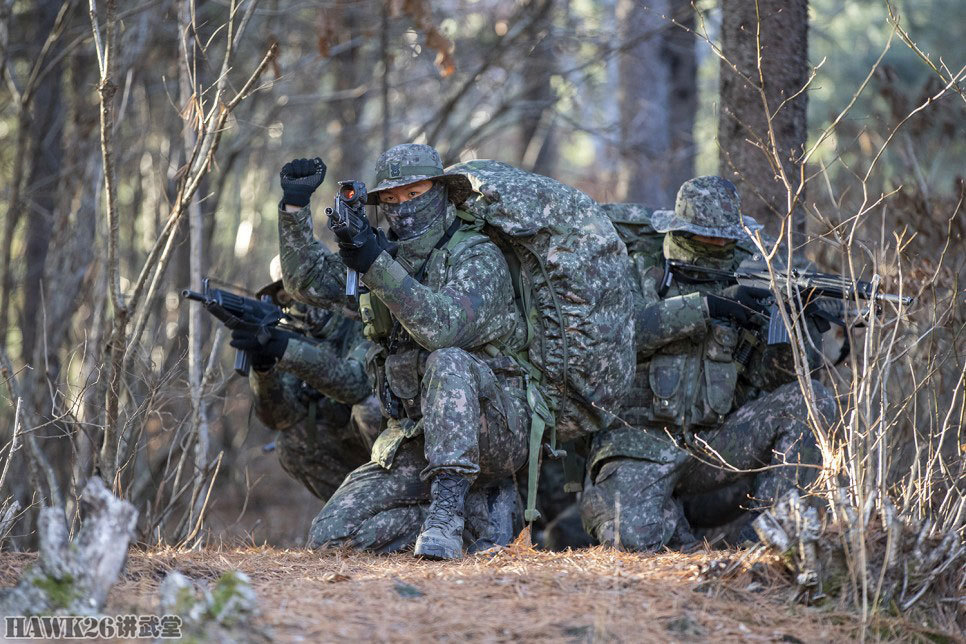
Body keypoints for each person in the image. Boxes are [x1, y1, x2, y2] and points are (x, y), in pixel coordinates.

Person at [275, 145, 531, 559]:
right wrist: (293, 209)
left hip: (496, 429)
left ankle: (448, 514)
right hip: (418, 435)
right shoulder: (380, 255)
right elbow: (305, 280)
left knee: (447, 360)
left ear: (444, 192)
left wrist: (375, 263)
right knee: (332, 537)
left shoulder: (476, 256)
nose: (403, 207)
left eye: (415, 193)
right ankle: (472, 519)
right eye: (391, 199)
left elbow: (442, 328)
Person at [580, 176, 835, 550]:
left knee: (812, 399)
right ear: (681, 230)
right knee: (630, 539)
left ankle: (770, 540)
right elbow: (619, 336)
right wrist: (707, 307)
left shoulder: (751, 272)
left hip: (714, 446)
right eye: (705, 236)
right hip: (639, 443)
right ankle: (670, 524)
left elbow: (774, 379)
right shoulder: (638, 266)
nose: (717, 244)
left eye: (724, 237)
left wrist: (794, 325)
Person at [230, 259, 381, 502]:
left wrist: (291, 352)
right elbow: (280, 418)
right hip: (344, 439)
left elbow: (358, 385)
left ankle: (410, 497)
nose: (303, 300)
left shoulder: (358, 315)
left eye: (309, 286)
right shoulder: (290, 332)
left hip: (391, 442)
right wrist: (263, 369)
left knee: (368, 409)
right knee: (289, 444)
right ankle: (360, 508)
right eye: (290, 294)